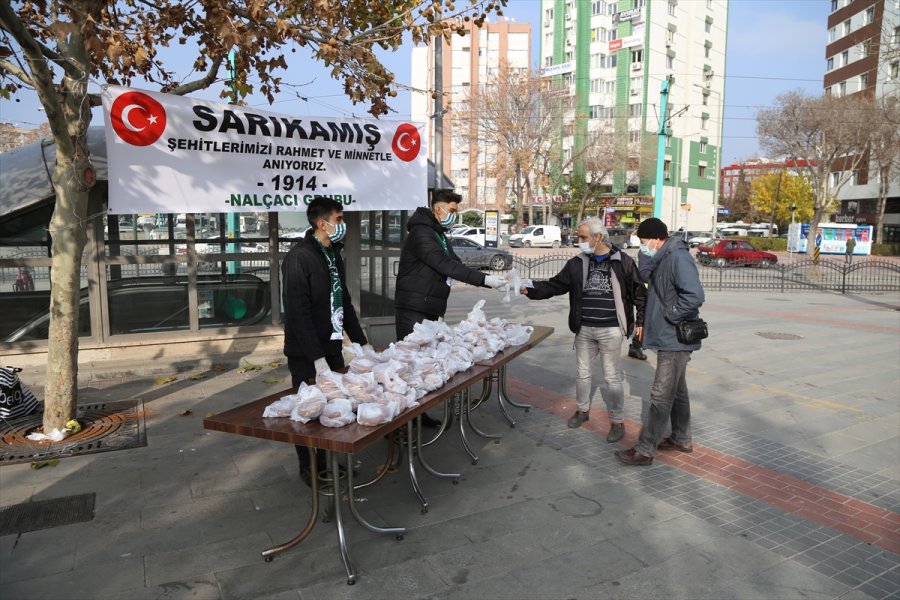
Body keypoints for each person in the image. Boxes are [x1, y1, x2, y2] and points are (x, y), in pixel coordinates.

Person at [521, 219, 646, 442]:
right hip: (585, 329)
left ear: (597, 237)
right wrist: (530, 289)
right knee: (582, 374)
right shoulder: (577, 263)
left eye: (582, 237)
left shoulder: (623, 262)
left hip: (611, 330)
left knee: (612, 378)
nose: (578, 242)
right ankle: (582, 410)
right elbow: (555, 285)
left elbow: (639, 294)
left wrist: (640, 322)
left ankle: (617, 421)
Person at [395, 190, 506, 426]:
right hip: (414, 307)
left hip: (429, 306)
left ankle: (418, 414)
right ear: (438, 209)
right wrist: (485, 280)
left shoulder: (438, 234)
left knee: (424, 365)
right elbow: (444, 265)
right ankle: (401, 425)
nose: (454, 215)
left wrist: (486, 278)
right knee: (409, 366)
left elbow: (454, 262)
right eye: (452, 210)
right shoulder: (421, 233)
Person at [282, 197, 368, 485]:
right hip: (307, 353)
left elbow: (343, 300)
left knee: (334, 408)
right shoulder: (299, 257)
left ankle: (330, 462)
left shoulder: (333, 255)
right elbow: (298, 312)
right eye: (340, 220)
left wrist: (361, 343)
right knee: (307, 410)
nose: (343, 225)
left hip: (331, 348)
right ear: (323, 223)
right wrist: (316, 358)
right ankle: (309, 468)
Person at [615, 217, 705, 466]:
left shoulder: (678, 258)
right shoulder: (663, 257)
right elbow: (648, 275)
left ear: (656, 239)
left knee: (661, 395)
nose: (642, 246)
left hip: (674, 337)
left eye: (644, 241)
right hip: (669, 336)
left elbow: (694, 295)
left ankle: (645, 450)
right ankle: (681, 438)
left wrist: (670, 314)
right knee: (678, 391)